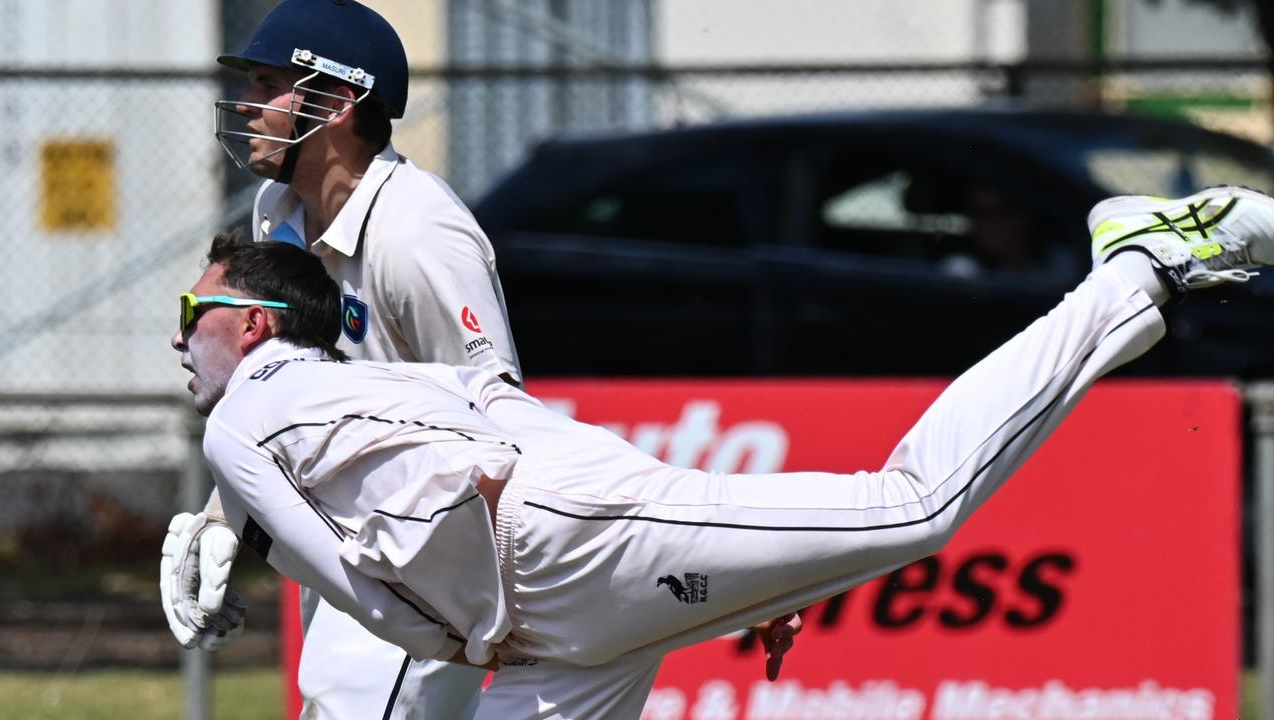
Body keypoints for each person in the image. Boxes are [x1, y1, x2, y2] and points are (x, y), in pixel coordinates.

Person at [170, 185, 1274, 719]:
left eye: (194, 307)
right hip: (550, 599)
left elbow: (373, 599)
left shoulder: (242, 417)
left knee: (913, 506)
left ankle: (1130, 269)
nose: (180, 335)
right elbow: (498, 413)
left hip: (561, 553)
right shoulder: (363, 384)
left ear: (255, 323)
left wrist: (465, 629)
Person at [158, 1, 523, 717]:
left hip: (426, 550)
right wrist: (222, 515)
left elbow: (501, 417)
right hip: (342, 541)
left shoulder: (416, 233)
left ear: (339, 101)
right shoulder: (275, 211)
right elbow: (279, 394)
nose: (249, 105)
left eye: (270, 84)